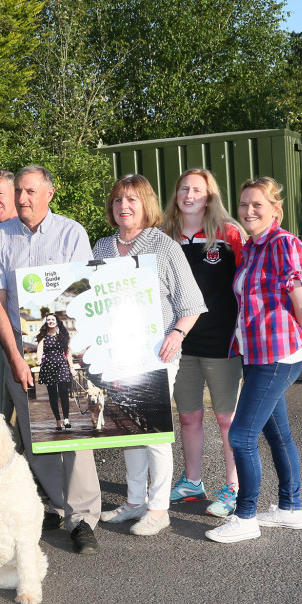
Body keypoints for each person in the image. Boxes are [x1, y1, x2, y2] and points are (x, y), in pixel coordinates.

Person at [0, 165, 101, 555]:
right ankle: (58, 503)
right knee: (37, 433)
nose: (21, 199)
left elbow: (83, 293)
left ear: (50, 193)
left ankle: (83, 518)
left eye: (30, 191)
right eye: (18, 191)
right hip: (21, 348)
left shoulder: (72, 233)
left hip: (61, 345)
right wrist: (15, 356)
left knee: (74, 431)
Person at [205, 178, 302, 543]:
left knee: (241, 437)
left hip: (277, 356)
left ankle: (245, 517)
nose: (248, 211)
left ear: (275, 209)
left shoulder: (283, 243)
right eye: (243, 205)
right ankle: (290, 509)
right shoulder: (256, 246)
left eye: (257, 204)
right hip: (257, 353)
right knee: (277, 433)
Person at [94, 174, 207, 537]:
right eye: (117, 201)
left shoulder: (164, 247)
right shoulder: (101, 248)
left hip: (157, 352)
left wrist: (177, 333)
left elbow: (191, 304)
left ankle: (159, 509)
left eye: (132, 200)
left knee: (154, 430)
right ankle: (135, 500)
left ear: (147, 205)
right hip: (117, 355)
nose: (124, 207)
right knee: (128, 429)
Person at [162, 169, 246, 517]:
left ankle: (234, 488)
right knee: (189, 417)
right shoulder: (163, 236)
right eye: (184, 188)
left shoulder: (229, 234)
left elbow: (248, 284)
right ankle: (192, 482)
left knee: (227, 419)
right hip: (180, 343)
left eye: (198, 189)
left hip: (222, 341)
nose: (190, 194)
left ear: (210, 196)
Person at [34, 313, 76, 431]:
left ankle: (66, 419)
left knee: (63, 392)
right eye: (48, 320)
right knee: (52, 395)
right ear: (46, 322)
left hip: (62, 365)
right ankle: (58, 420)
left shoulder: (62, 336)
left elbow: (68, 352)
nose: (50, 321)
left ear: (57, 322)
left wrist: (71, 367)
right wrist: (38, 360)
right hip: (48, 367)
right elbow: (39, 350)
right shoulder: (43, 337)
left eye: (53, 319)